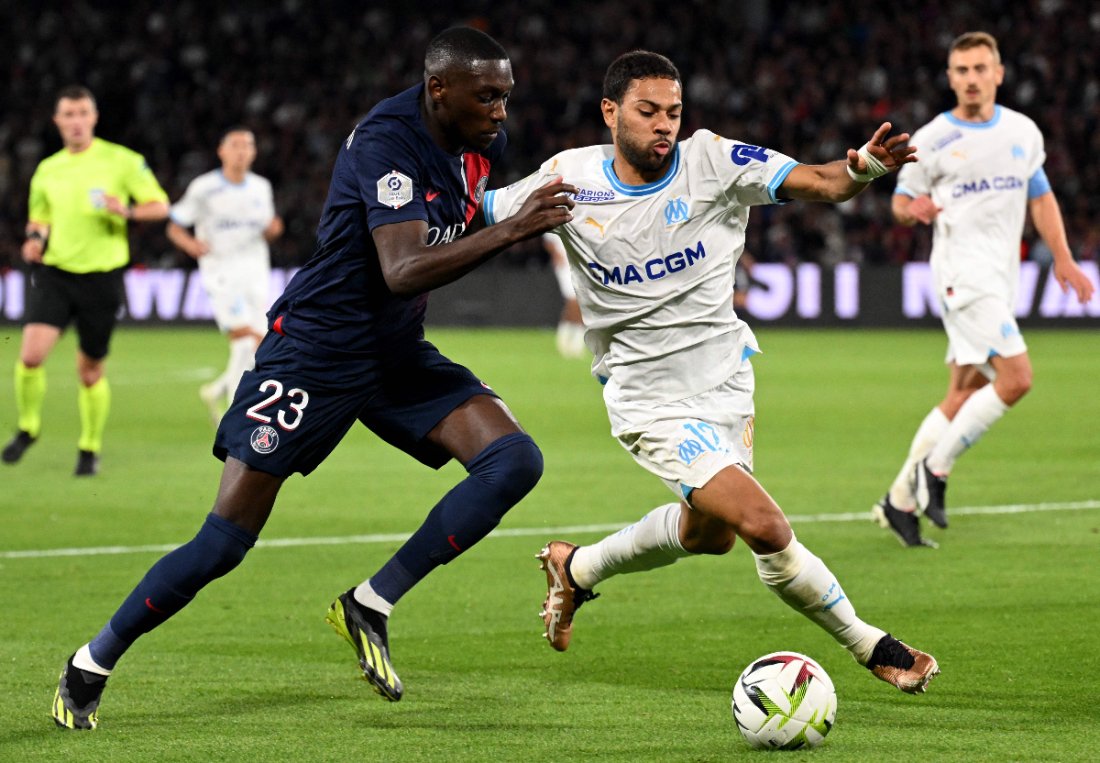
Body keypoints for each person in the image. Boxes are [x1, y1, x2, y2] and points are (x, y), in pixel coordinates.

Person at [51, 27, 576, 730]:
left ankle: (371, 602)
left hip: (393, 351)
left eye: (507, 96)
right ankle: (91, 662)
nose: (501, 111)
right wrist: (516, 228)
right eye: (487, 96)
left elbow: (465, 212)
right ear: (438, 89)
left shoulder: (482, 145)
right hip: (315, 350)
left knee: (513, 460)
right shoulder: (384, 142)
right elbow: (402, 268)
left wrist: (531, 206)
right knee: (223, 542)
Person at [482, 50, 939, 694]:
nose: (663, 125)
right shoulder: (569, 178)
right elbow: (480, 210)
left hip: (726, 381)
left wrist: (863, 168)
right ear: (611, 113)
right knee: (763, 527)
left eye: (673, 112)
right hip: (646, 397)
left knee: (709, 536)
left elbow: (824, 181)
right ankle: (871, 645)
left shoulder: (712, 161)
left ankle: (576, 569)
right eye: (647, 112)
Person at [871, 31, 1095, 547]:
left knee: (964, 390)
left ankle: (899, 501)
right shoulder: (930, 139)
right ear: (951, 79)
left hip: (1000, 277)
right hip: (961, 275)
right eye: (961, 70)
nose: (971, 79)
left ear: (998, 73)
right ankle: (936, 470)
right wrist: (914, 210)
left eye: (980, 68)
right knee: (1016, 378)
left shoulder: (1022, 131)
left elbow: (1040, 197)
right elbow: (901, 201)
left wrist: (1062, 257)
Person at [2, 86, 169, 476]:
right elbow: (39, 218)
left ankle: (89, 448)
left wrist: (126, 210)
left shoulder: (122, 161)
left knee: (89, 371)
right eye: (68, 114)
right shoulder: (48, 169)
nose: (76, 121)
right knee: (30, 356)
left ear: (93, 117)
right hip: (57, 274)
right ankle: (28, 427)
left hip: (102, 278)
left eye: (82, 113)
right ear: (57, 121)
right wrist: (34, 241)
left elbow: (160, 205)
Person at [166, 127, 284, 423]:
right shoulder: (203, 188)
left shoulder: (261, 188)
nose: (242, 151)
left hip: (256, 271)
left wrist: (274, 230)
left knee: (257, 344)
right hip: (221, 274)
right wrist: (190, 244)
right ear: (222, 151)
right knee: (246, 338)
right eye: (235, 145)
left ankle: (218, 389)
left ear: (254, 152)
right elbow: (174, 225)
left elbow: (270, 228)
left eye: (248, 145)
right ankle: (236, 414)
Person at [542, 232, 588, 358]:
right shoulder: (556, 216)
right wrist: (556, 254)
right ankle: (571, 342)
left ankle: (568, 341)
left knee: (579, 302)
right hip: (565, 266)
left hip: (579, 264)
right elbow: (548, 240)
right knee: (573, 301)